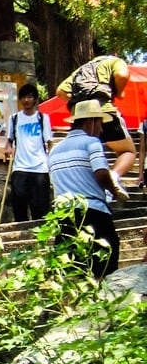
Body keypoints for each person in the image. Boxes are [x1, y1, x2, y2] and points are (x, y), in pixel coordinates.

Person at [48, 98, 128, 279]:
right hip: (93, 214)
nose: (100, 130)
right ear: (90, 122)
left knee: (70, 272)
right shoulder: (91, 143)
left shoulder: (54, 151)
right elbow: (101, 172)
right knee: (105, 266)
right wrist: (115, 191)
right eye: (99, 124)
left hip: (64, 215)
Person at [56, 55, 136, 186]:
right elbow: (122, 74)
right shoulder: (114, 61)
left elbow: (60, 92)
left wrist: (81, 103)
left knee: (85, 154)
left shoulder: (80, 70)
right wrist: (119, 92)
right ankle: (113, 177)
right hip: (102, 110)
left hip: (79, 118)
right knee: (127, 151)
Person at [4, 83, 53, 222]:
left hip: (40, 168)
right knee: (19, 208)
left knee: (40, 209)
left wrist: (50, 161)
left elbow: (49, 142)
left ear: (35, 99)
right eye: (23, 97)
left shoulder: (43, 118)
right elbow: (9, 140)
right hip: (20, 168)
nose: (26, 100)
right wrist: (8, 148)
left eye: (30, 97)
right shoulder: (14, 118)